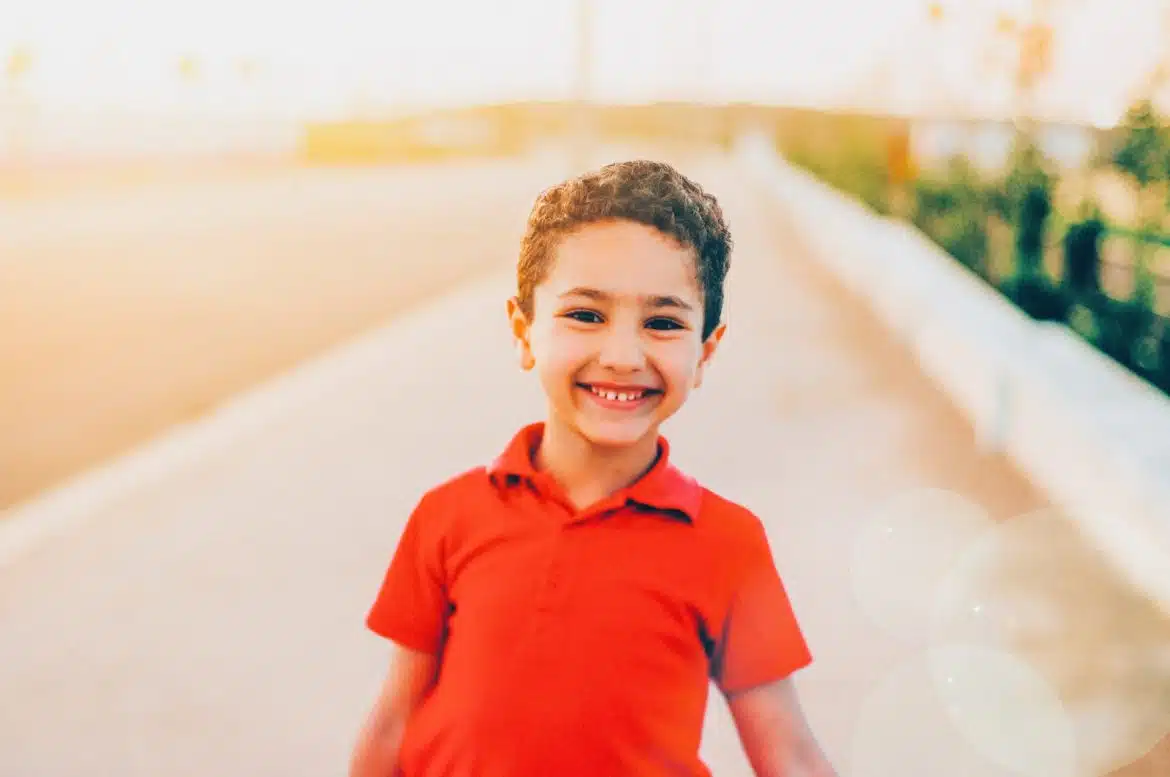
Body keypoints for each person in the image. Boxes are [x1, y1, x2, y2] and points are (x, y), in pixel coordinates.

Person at [349, 160, 837, 777]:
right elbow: (394, 720)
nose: (622, 355)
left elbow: (787, 750)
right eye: (586, 314)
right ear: (524, 332)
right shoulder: (448, 517)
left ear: (705, 353)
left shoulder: (729, 545)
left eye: (663, 323)